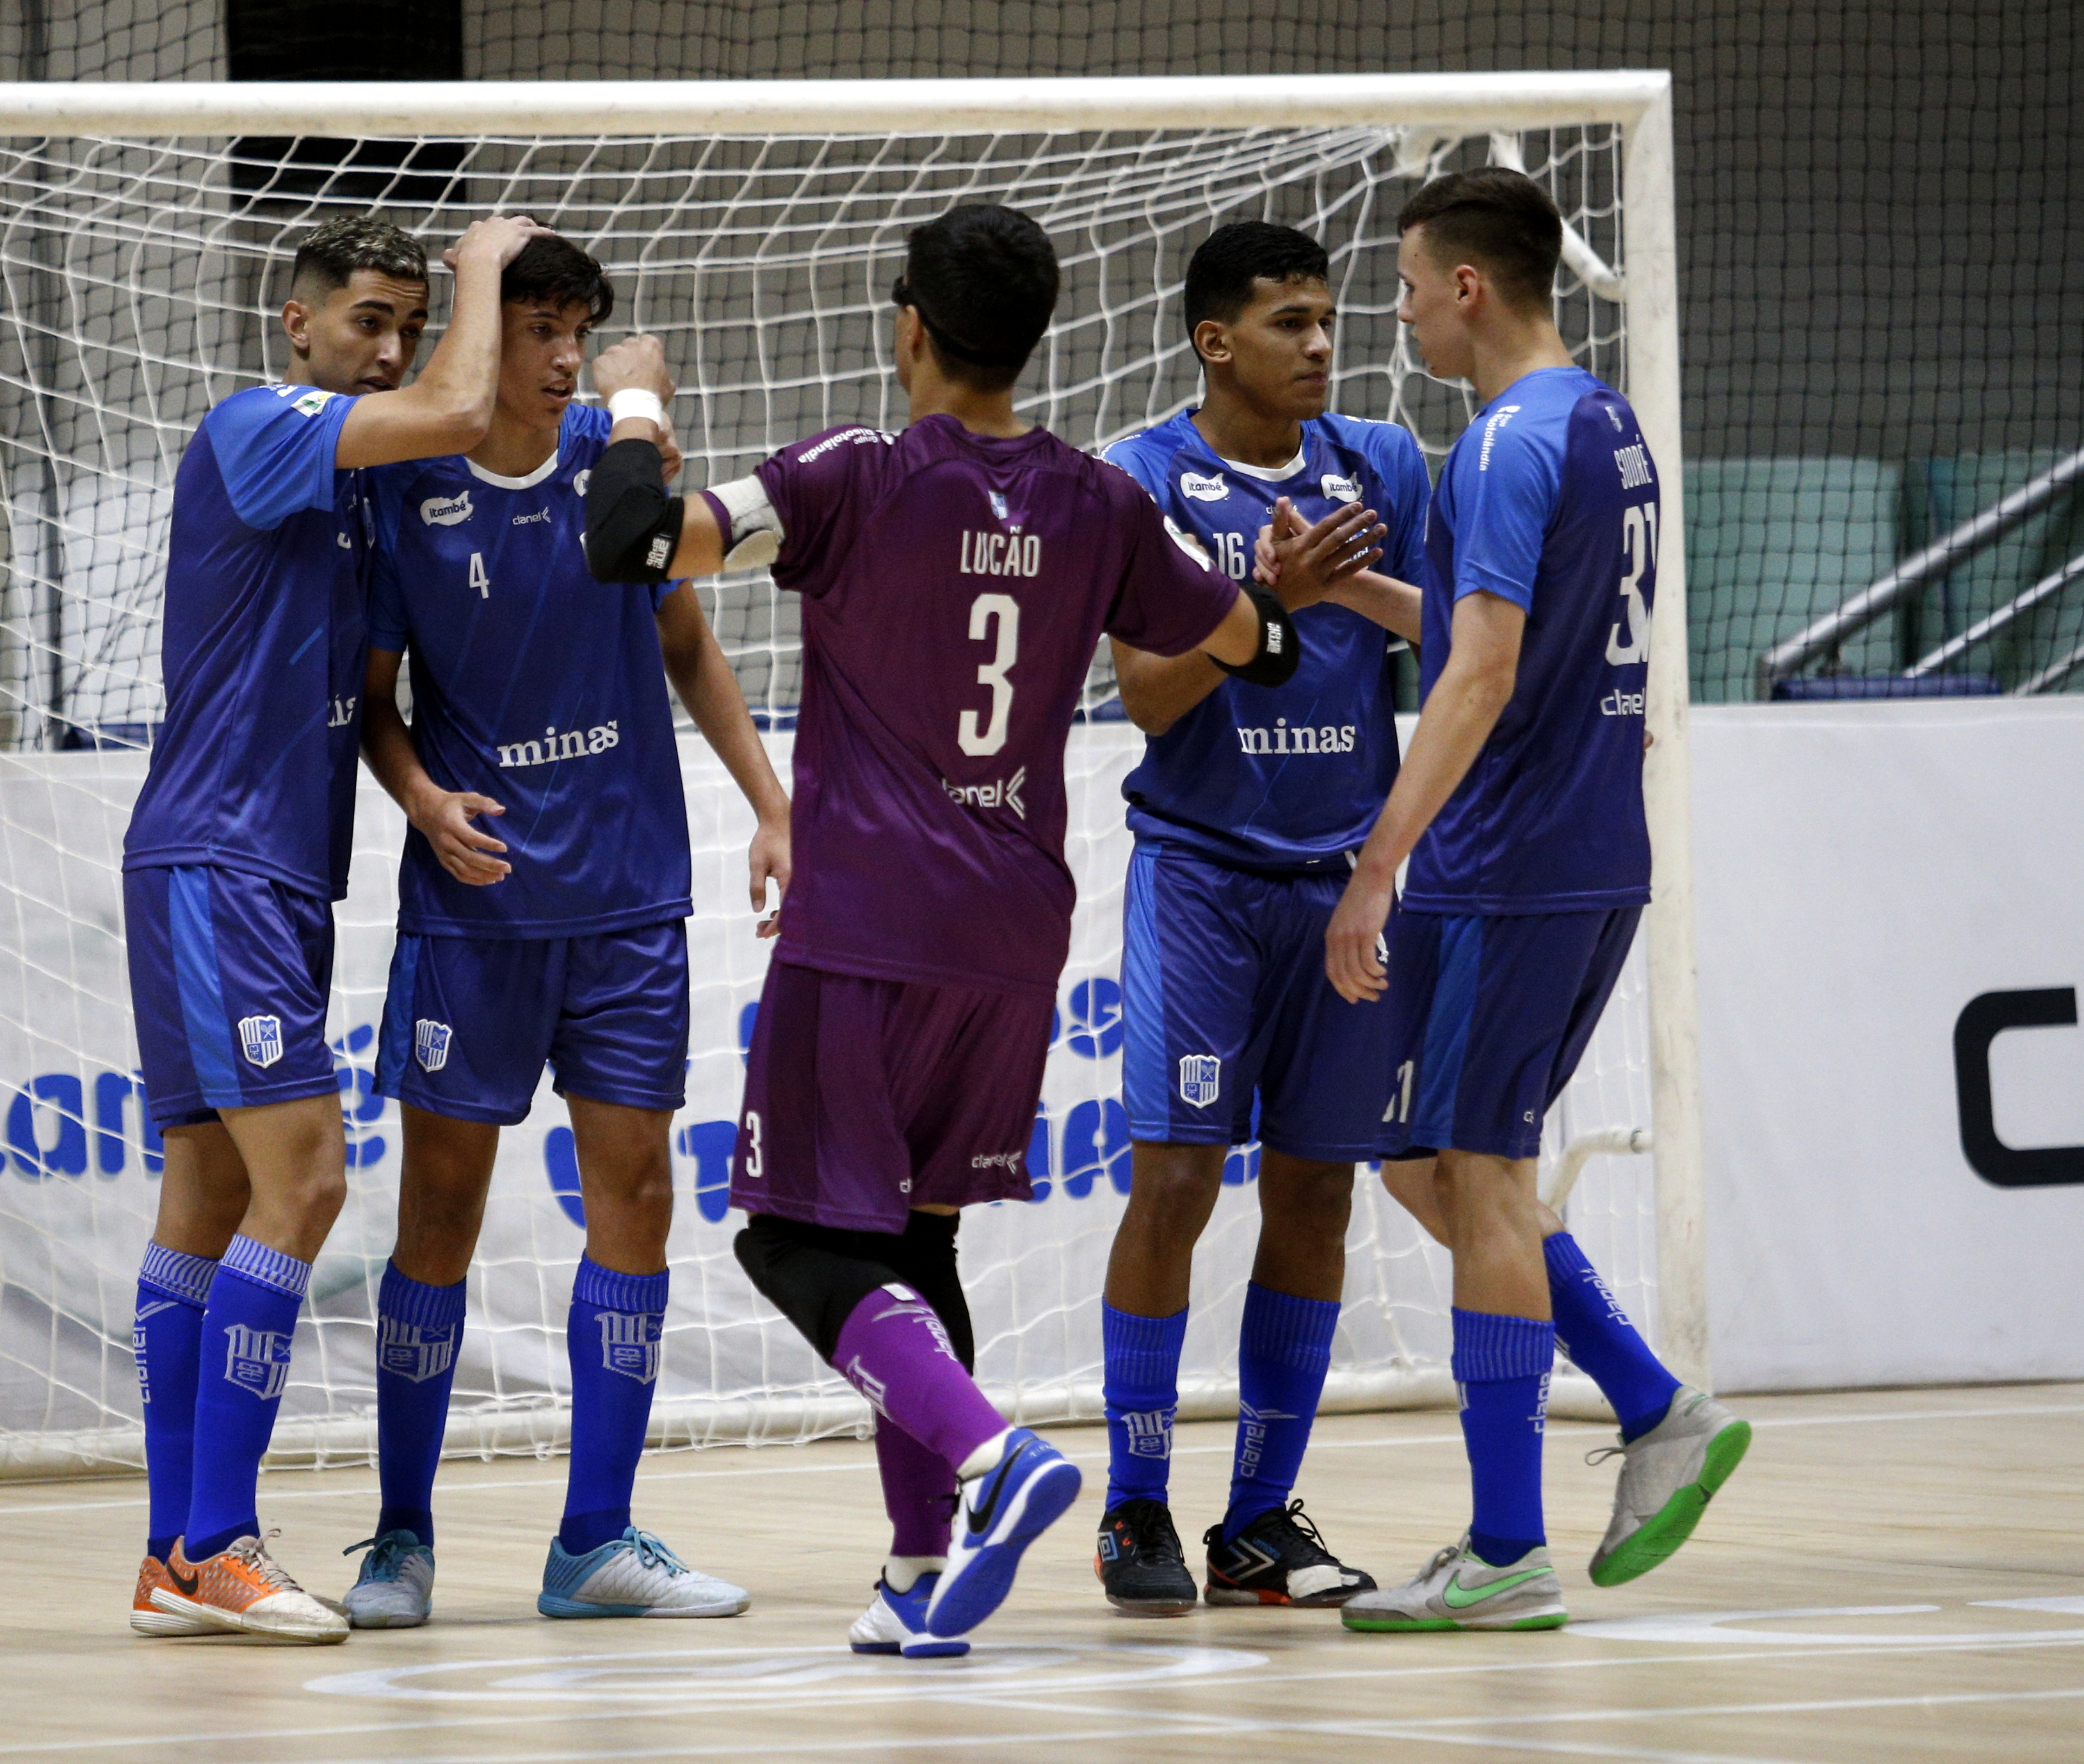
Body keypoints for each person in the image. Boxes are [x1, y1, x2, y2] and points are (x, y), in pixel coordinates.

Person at [581, 204, 1375, 1655]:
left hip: (871, 921)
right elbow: (1255, 650)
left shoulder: (849, 475)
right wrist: (1278, 594)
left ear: (912, 330)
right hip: (1014, 936)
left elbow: (633, 538)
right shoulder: (1096, 498)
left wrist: (634, 394)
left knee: (794, 1247)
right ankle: (916, 1574)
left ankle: (993, 1455)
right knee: (914, 1242)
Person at [1321, 169, 1749, 1633]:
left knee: (1484, 1178)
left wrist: (1377, 861)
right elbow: (1478, 629)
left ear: (1469, 289)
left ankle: (1507, 1546)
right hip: (1579, 855)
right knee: (1429, 1164)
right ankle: (1647, 1398)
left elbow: (1485, 671)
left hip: (1508, 862)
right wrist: (1351, 598)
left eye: (1404, 282)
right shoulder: (1601, 420)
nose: (1393, 309)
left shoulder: (1504, 440)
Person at [341, 235, 784, 1626]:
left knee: (638, 1197)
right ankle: (400, 1536)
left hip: (631, 899)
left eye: (572, 328)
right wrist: (419, 796)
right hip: (480, 910)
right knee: (440, 1215)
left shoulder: (614, 455)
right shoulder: (401, 480)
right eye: (529, 324)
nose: (553, 352)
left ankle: (595, 1536)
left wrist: (775, 805)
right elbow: (371, 696)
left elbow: (689, 647)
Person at [122, 211, 545, 1642]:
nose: (391, 346)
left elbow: (373, 686)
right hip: (221, 860)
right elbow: (459, 406)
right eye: (368, 317)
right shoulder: (258, 421)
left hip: (275, 871)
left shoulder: (364, 497)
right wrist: (485, 266)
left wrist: (421, 795)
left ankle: (174, 1552)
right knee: (304, 1184)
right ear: (297, 322)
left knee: (210, 1198)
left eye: (406, 320)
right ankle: (220, 1540)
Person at [1090, 220, 1424, 1616]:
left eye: (1330, 318)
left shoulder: (1384, 465)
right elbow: (1144, 698)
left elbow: (1462, 636)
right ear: (1216, 340)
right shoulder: (1144, 479)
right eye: (1289, 321)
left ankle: (1259, 1518)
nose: (1321, 343)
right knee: (1171, 1179)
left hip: (1346, 882)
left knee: (1319, 1190)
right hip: (1203, 876)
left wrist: (1349, 586)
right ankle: (1134, 1503)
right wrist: (1262, 599)